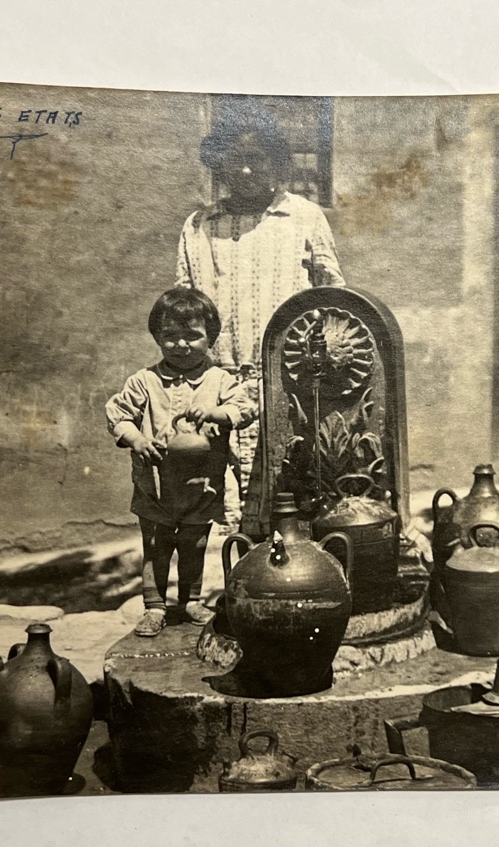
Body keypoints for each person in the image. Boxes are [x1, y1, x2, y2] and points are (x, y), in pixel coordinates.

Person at [175, 102, 345, 533]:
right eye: (237, 160)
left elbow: (333, 300)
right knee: (226, 506)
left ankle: (296, 586)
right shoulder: (199, 227)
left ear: (277, 163)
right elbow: (184, 311)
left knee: (292, 498)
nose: (247, 171)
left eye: (258, 159)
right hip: (217, 388)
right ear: (220, 164)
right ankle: (242, 591)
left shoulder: (303, 217)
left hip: (287, 387)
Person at [106, 287, 258, 637]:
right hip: (156, 486)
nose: (181, 344)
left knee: (195, 543)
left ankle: (191, 599)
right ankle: (154, 606)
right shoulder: (144, 381)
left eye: (193, 336)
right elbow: (118, 416)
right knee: (155, 547)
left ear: (211, 338)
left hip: (200, 486)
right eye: (170, 336)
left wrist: (216, 412)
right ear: (157, 337)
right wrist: (138, 439)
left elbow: (246, 409)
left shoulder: (220, 380)